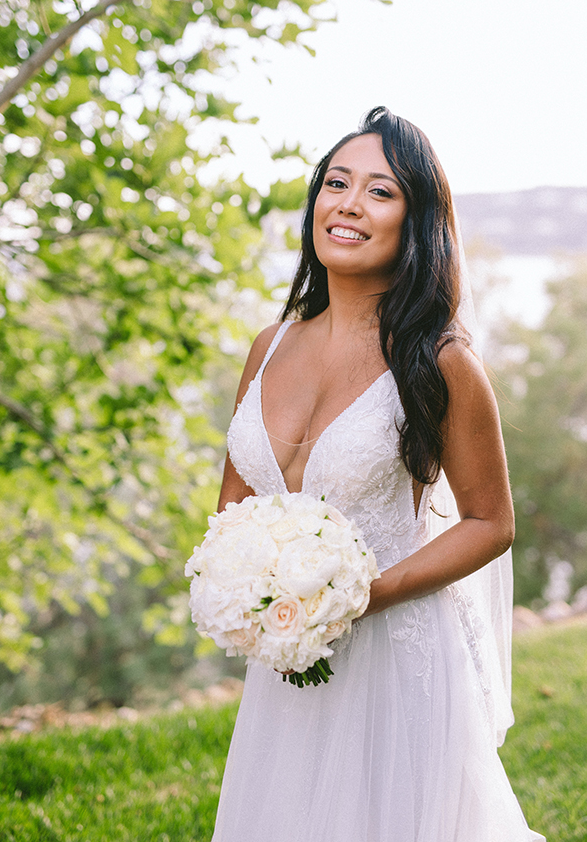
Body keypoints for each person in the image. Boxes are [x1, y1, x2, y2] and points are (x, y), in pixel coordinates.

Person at [210, 107, 544, 842]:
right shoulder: (270, 344)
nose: (349, 205)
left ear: (416, 220)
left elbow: (493, 523)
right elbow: (233, 509)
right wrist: (248, 595)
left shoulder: (442, 362)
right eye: (337, 183)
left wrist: (356, 597)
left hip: (398, 655)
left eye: (380, 191)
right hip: (287, 655)